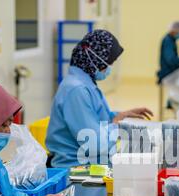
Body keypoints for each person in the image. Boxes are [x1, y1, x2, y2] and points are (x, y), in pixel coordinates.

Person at [46, 30, 153, 167]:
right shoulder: (77, 90)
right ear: (96, 59)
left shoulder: (85, 83)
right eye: (110, 62)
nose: (110, 67)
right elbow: (94, 143)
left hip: (92, 164)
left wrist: (118, 116)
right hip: (76, 171)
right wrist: (116, 125)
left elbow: (93, 119)